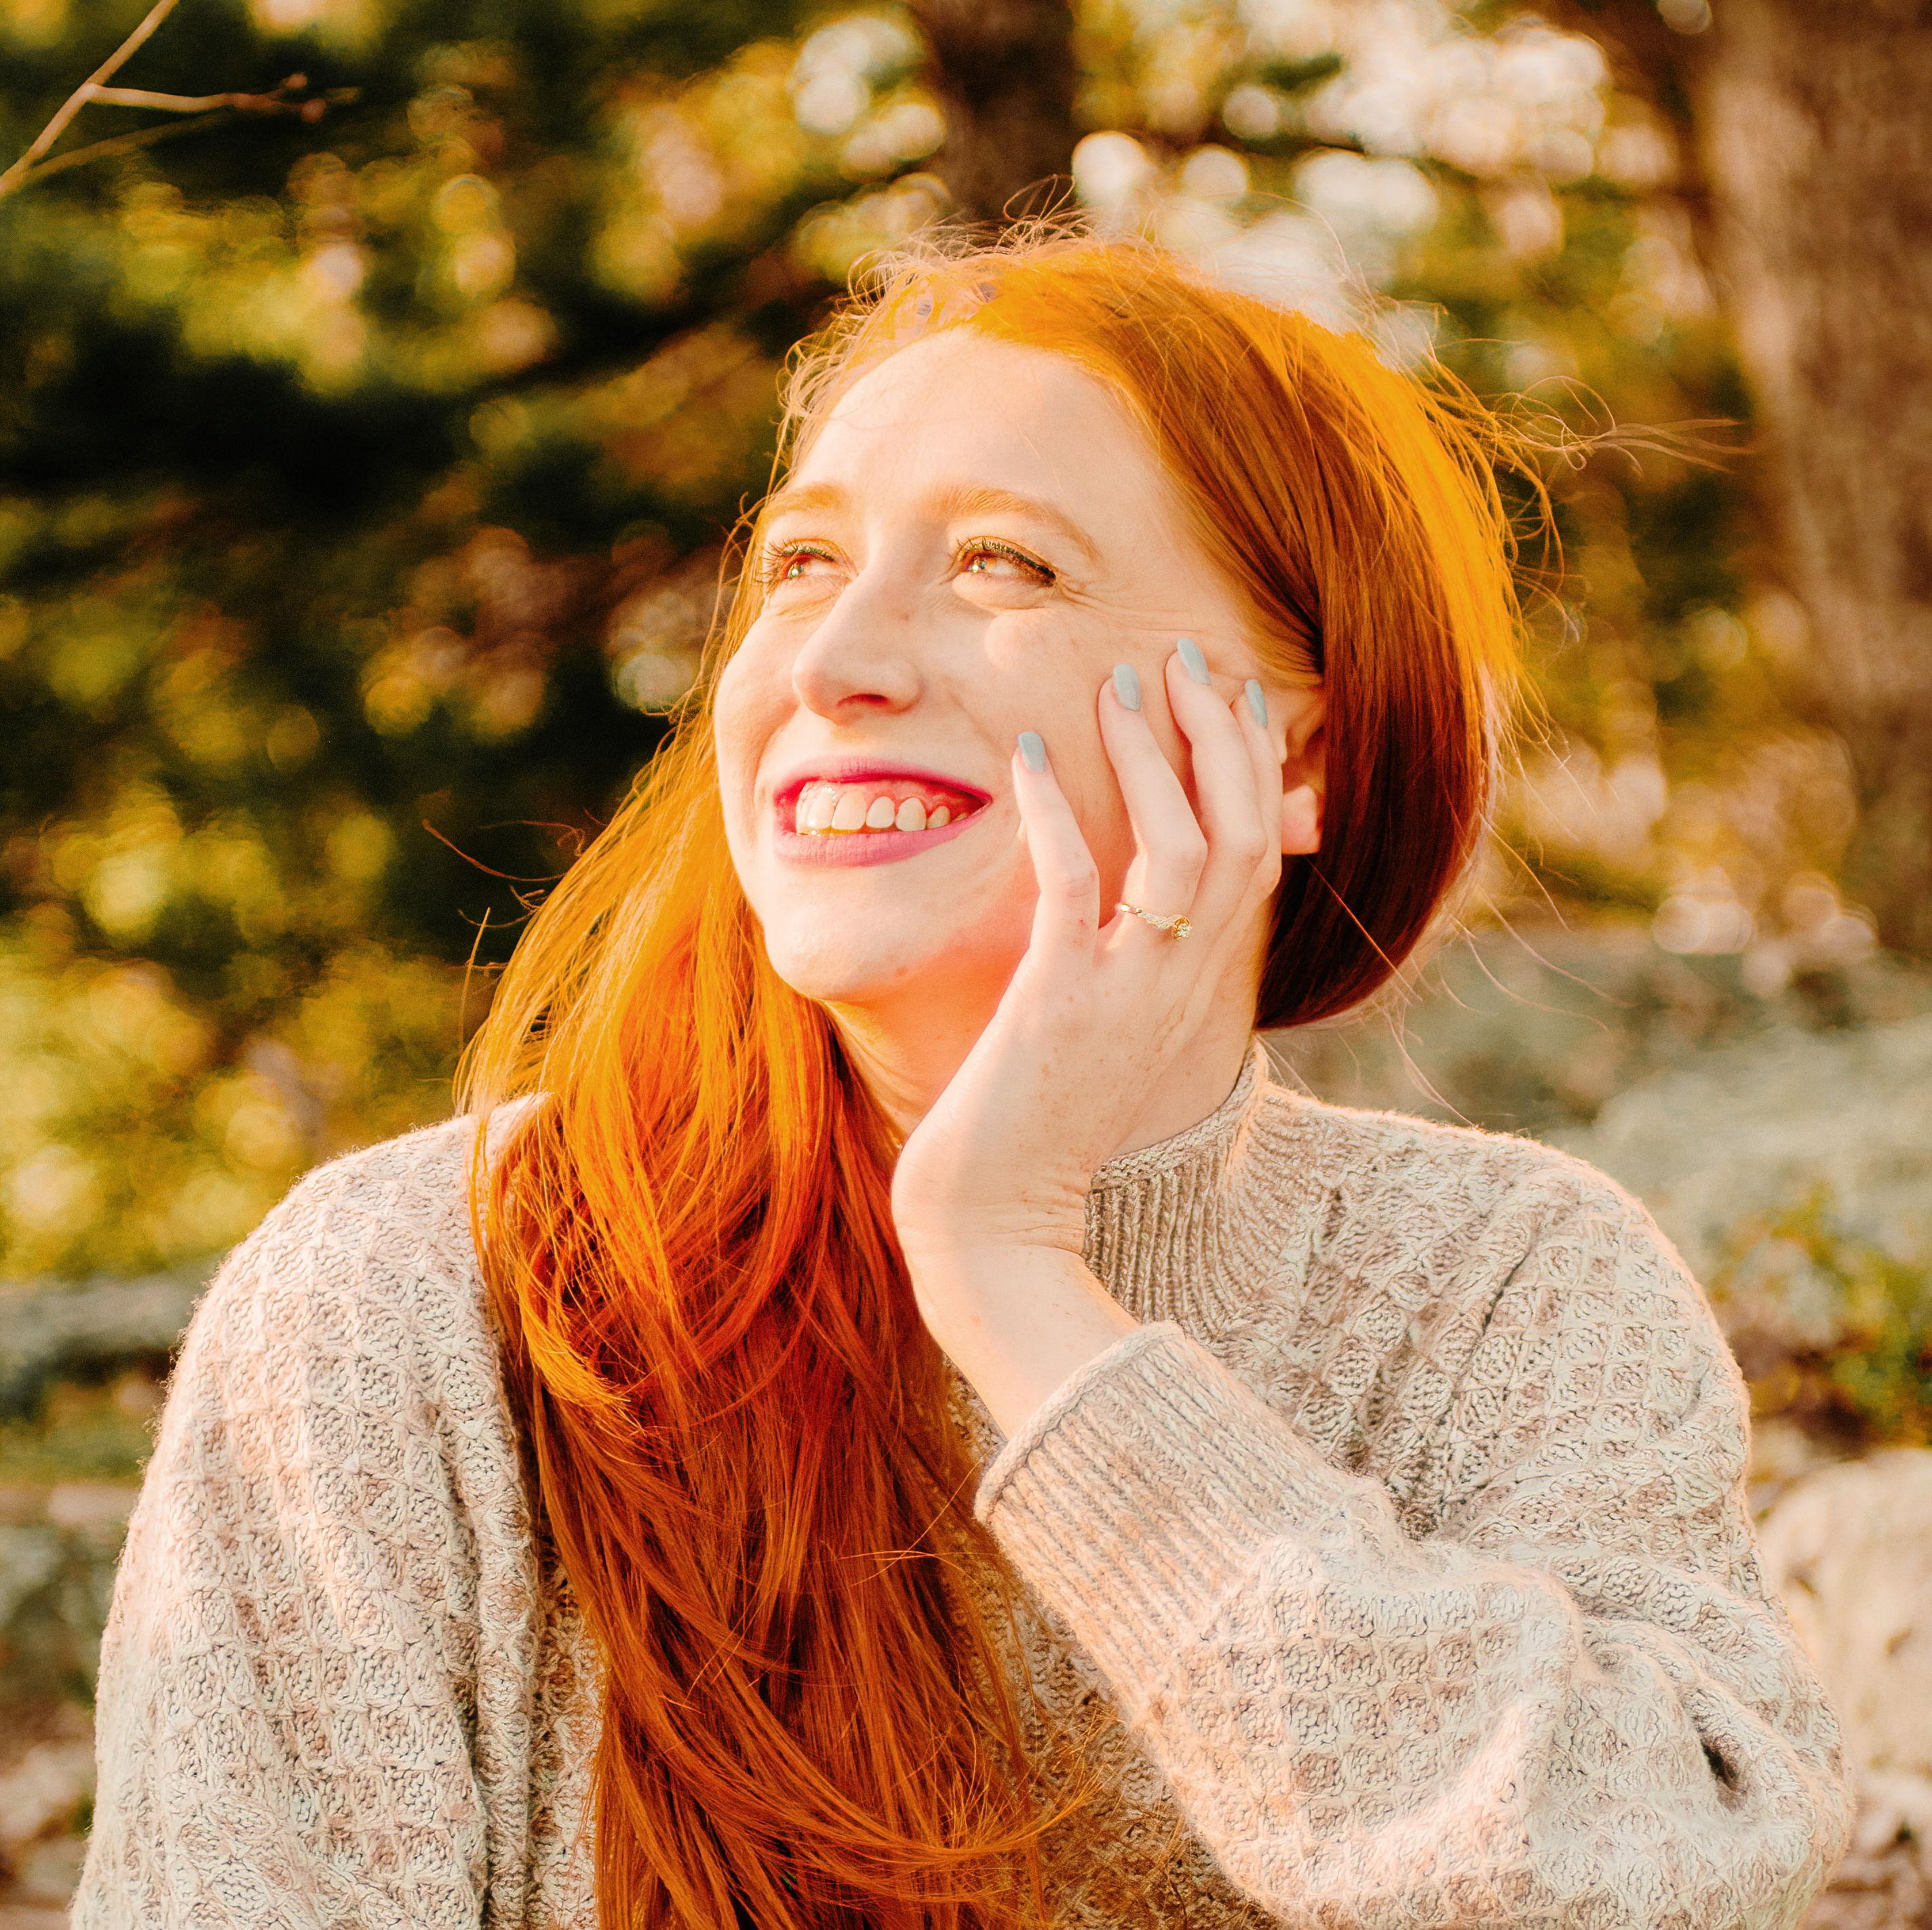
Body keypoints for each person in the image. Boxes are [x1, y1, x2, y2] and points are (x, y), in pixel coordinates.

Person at [71, 220, 1853, 1930]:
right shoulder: (414, 1301)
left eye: (1008, 564)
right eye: (803, 566)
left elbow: (1668, 1879)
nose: (836, 663)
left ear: (1298, 753)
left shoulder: (1507, 1291)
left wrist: (1019, 1285)